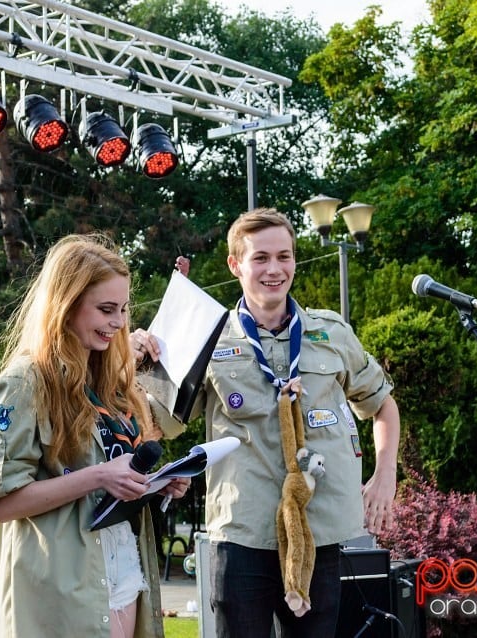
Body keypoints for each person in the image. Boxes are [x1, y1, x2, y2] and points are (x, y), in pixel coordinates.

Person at [133, 208, 400, 637]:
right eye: (260, 258)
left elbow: (382, 404)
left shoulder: (331, 333)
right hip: (242, 539)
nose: (274, 269)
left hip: (316, 537)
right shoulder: (207, 339)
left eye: (285, 256)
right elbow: (162, 423)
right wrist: (141, 361)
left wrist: (385, 473)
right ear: (235, 265)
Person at [0, 234, 190, 638]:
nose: (120, 323)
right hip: (60, 584)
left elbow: (106, 480)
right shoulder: (24, 383)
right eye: (106, 309)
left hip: (121, 566)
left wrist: (152, 484)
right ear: (65, 306)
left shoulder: (107, 383)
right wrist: (102, 476)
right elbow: (4, 502)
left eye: (124, 309)